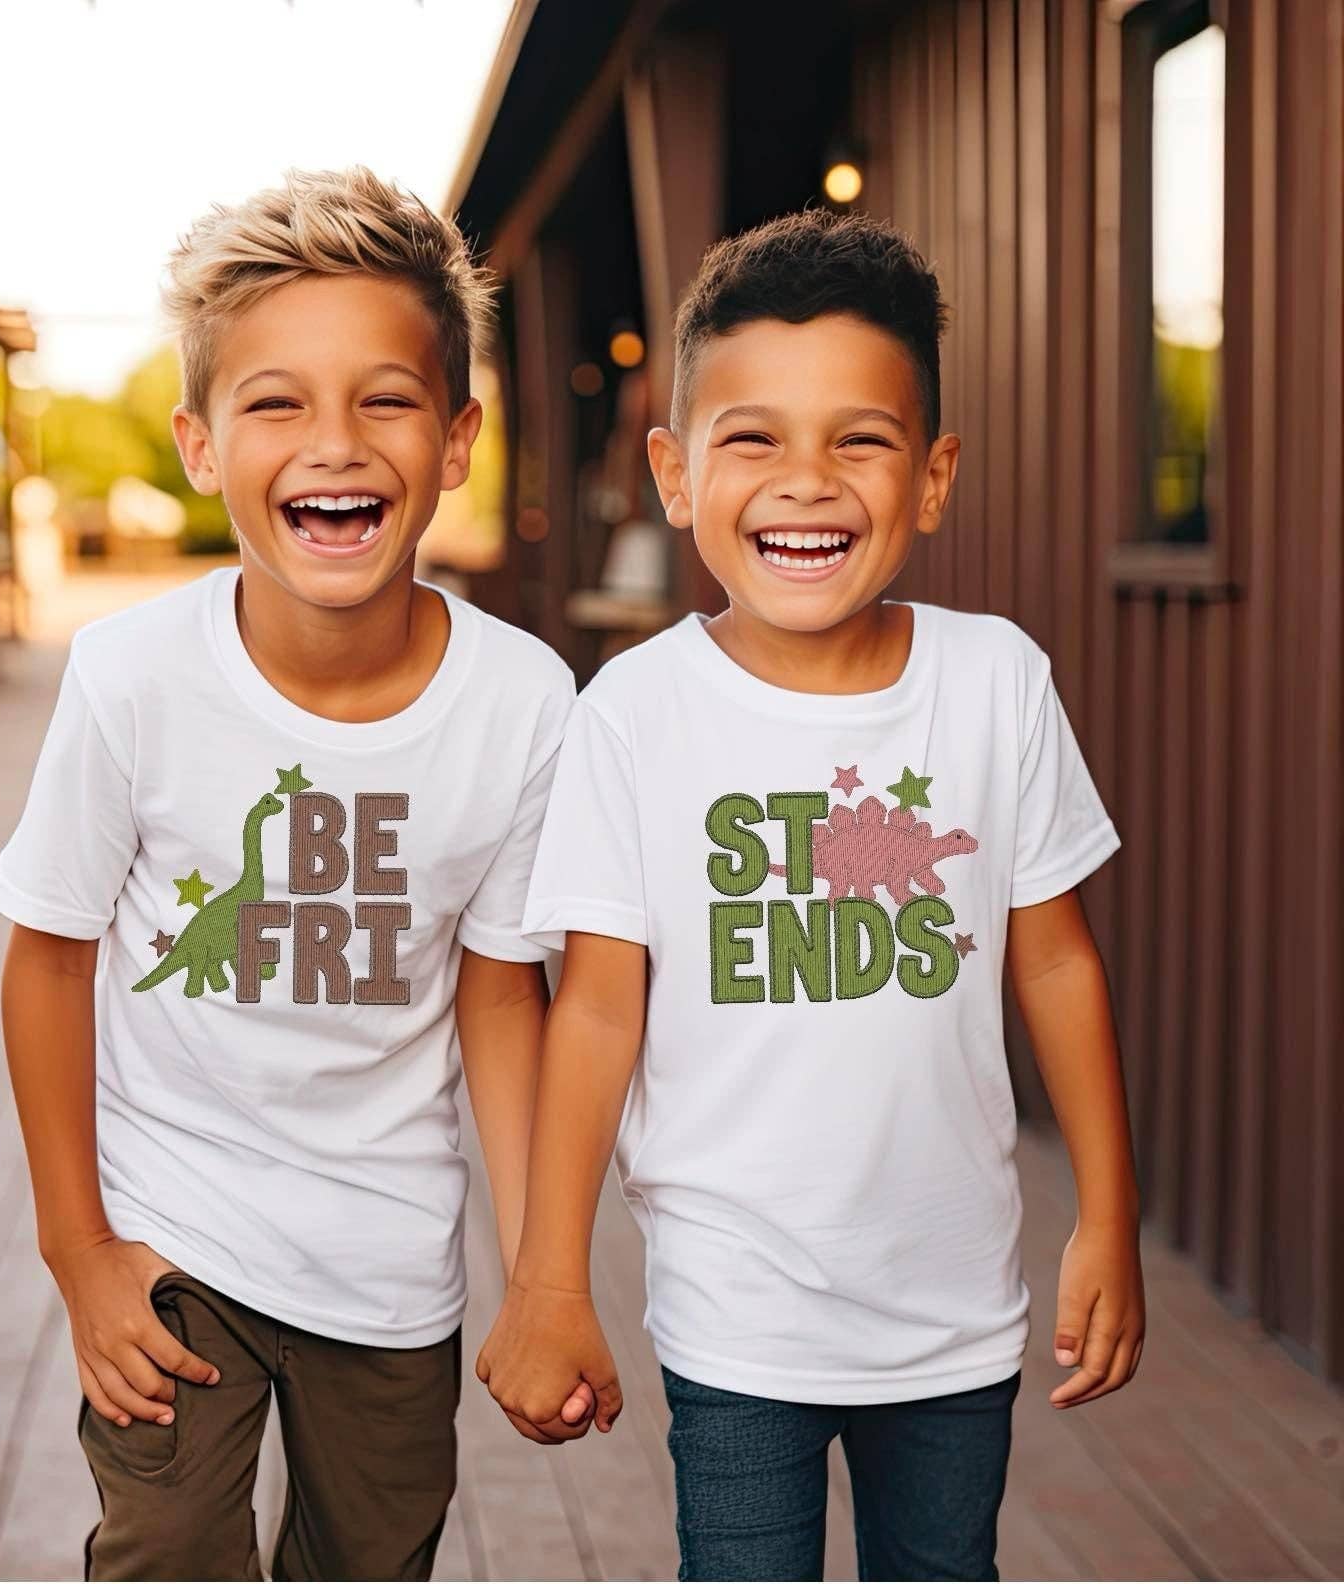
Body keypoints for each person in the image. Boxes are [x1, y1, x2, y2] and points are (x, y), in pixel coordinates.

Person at [476, 207, 1145, 1582]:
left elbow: (1056, 962)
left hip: (952, 1309)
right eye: (754, 439)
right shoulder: (633, 713)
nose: (806, 482)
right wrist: (548, 1279)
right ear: (676, 474)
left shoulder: (996, 683)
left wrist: (1108, 1214)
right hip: (736, 1312)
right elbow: (594, 1013)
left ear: (934, 476)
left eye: (860, 440)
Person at [0, 166, 589, 1582]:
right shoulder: (133, 679)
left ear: (458, 439)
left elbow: (502, 995)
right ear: (202, 445)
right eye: (276, 403)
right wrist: (78, 1247)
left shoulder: (524, 702)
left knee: (373, 1558)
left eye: (386, 400)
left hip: (390, 1258)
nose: (335, 444)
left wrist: (542, 1273)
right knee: (167, 1550)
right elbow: (49, 958)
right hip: (173, 1236)